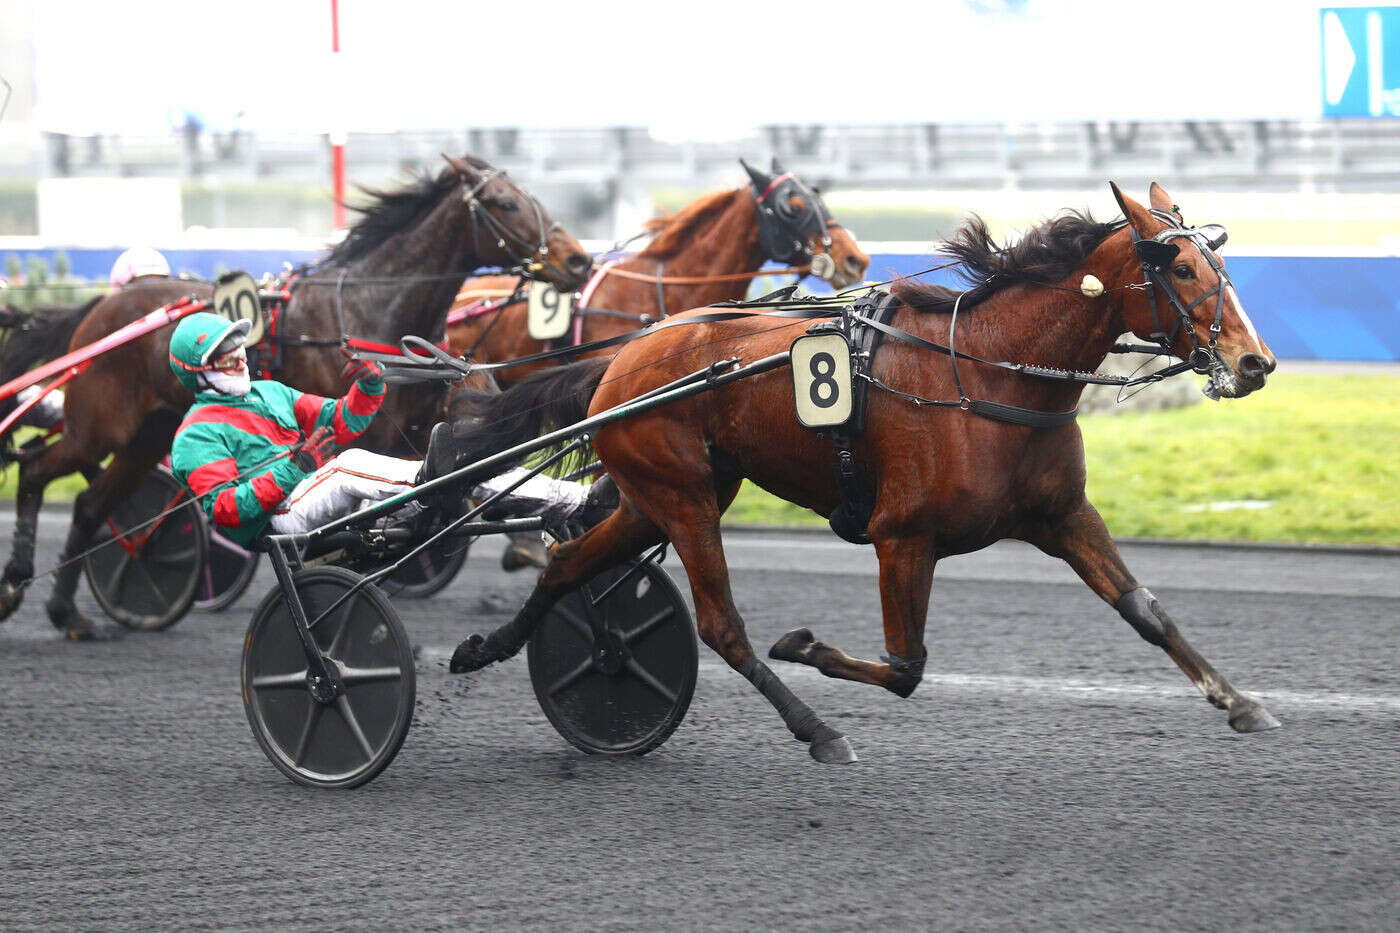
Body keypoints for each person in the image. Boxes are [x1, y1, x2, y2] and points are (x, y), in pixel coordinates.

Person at [167, 310, 609, 547]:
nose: (240, 359)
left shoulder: (271, 393)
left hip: (316, 497)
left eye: (239, 348)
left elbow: (342, 420)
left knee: (466, 468)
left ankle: (577, 499)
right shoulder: (196, 435)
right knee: (349, 464)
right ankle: (427, 483)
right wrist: (293, 468)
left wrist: (369, 383)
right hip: (278, 519)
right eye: (226, 356)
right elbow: (225, 509)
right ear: (199, 372)